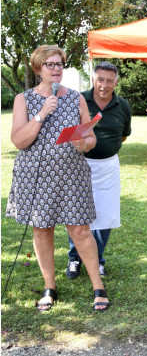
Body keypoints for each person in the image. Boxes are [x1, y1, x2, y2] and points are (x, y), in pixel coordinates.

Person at [6, 45, 109, 312]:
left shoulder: (76, 98)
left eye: (59, 64)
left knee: (80, 230)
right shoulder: (24, 99)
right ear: (38, 69)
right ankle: (49, 286)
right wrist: (42, 113)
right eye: (50, 65)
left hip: (72, 175)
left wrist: (83, 143)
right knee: (42, 230)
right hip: (36, 176)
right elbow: (19, 140)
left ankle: (98, 286)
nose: (56, 69)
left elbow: (91, 137)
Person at [66, 61, 132, 280]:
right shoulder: (77, 100)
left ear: (116, 82)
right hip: (80, 165)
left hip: (109, 167)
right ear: (93, 79)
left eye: (109, 81)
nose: (104, 85)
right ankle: (74, 258)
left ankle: (98, 260)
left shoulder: (123, 106)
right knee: (77, 214)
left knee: (105, 215)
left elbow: (124, 135)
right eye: (100, 79)